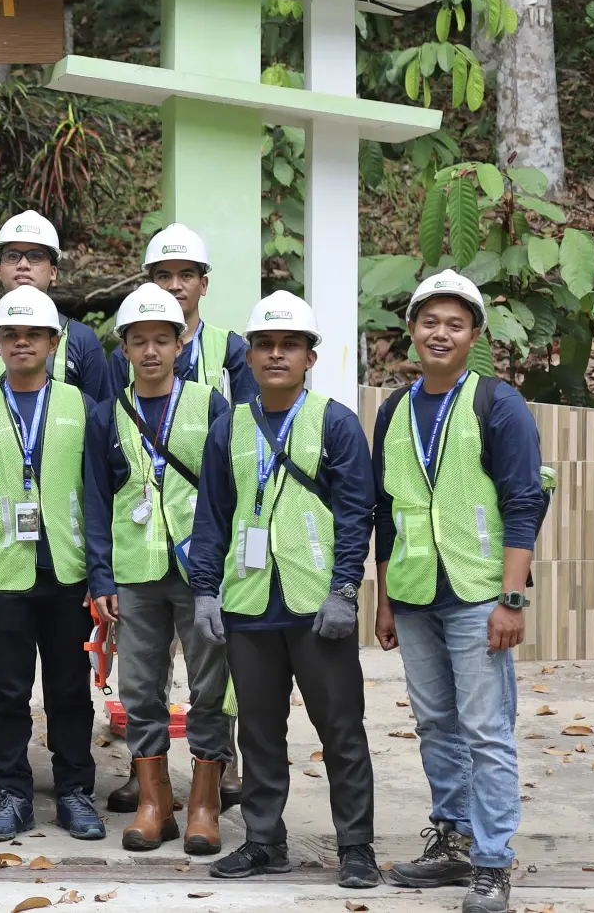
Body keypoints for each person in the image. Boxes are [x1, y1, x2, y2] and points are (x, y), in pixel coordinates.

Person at [188, 291, 380, 888]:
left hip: (315, 604)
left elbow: (356, 512)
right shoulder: (231, 426)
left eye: (288, 345)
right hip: (249, 606)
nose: (276, 355)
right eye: (265, 345)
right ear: (247, 356)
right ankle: (264, 841)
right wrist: (204, 590)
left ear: (309, 357)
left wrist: (346, 589)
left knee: (341, 729)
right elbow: (213, 515)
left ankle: (356, 847)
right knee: (260, 733)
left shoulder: (336, 422)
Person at [374, 271, 546, 913]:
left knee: (486, 727)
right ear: (411, 332)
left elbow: (523, 501)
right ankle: (453, 842)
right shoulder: (394, 409)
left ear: (474, 335)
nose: (439, 333)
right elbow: (387, 512)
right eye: (429, 322)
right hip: (416, 593)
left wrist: (512, 598)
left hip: (479, 593)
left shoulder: (497, 403)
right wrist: (387, 597)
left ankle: (493, 860)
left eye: (455, 323)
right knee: (436, 724)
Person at [0, 286, 112, 842]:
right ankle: (14, 794)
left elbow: (98, 496)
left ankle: (73, 793)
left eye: (33, 335)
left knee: (69, 690)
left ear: (53, 342)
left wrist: (101, 574)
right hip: (3, 577)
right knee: (7, 692)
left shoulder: (80, 407)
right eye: (11, 335)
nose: (22, 343)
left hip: (68, 574)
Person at [88, 284, 233, 855]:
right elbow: (96, 502)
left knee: (209, 688)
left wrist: (218, 570)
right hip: (134, 571)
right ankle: (156, 804)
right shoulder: (107, 414)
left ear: (180, 344)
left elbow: (227, 493)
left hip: (200, 571)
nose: (151, 351)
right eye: (139, 341)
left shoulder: (211, 405)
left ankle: (204, 804)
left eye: (162, 340)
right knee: (140, 689)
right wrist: (101, 578)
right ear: (124, 348)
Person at [0, 211, 110, 405]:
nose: (23, 264)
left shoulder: (81, 339)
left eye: (35, 256)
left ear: (53, 272)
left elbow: (100, 419)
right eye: (12, 256)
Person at [106, 224, 257, 405]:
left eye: (186, 276)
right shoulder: (123, 356)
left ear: (204, 285)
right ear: (151, 284)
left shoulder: (231, 350)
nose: (175, 286)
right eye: (164, 276)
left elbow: (246, 421)